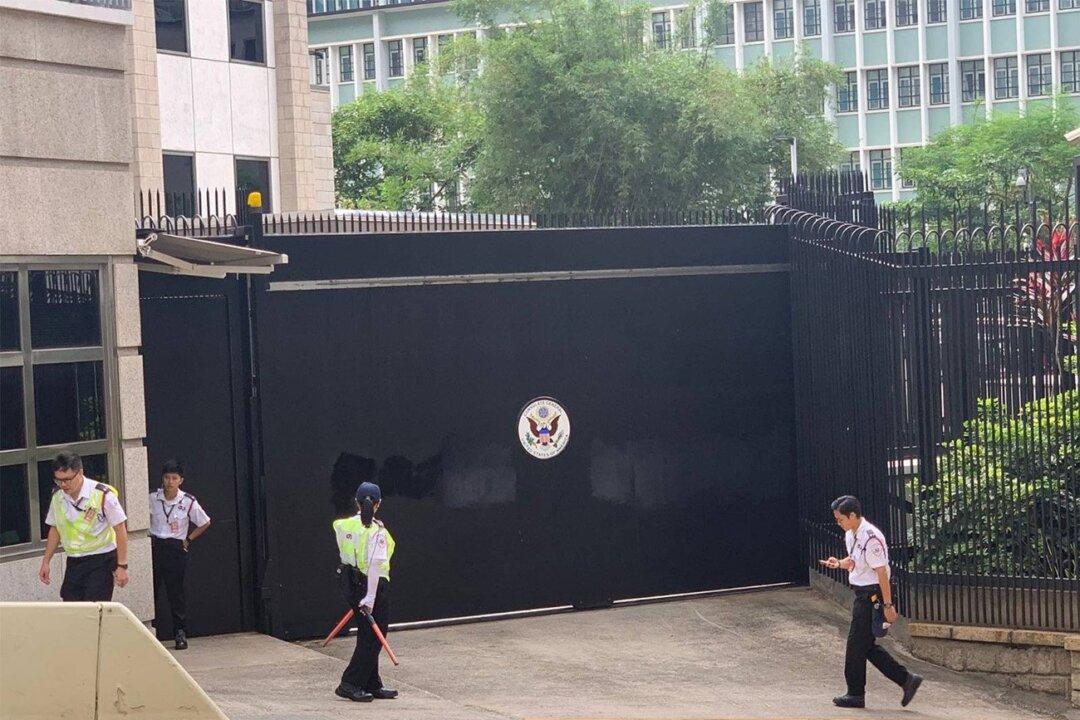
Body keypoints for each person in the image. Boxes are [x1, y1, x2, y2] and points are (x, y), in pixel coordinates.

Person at [821, 495, 923, 709]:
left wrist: (888, 605)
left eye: (840, 519)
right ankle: (906, 680)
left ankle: (856, 694)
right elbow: (855, 561)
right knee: (865, 646)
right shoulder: (852, 535)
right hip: (862, 594)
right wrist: (838, 563)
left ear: (852, 515)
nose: (838, 523)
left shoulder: (871, 537)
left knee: (856, 645)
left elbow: (881, 574)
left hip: (872, 596)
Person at [332, 481, 398, 703]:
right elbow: (375, 567)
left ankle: (372, 682)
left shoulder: (343, 526)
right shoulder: (377, 532)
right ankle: (350, 683)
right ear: (378, 504)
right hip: (373, 587)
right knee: (373, 639)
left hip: (350, 584)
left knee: (367, 634)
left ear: (356, 502)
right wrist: (370, 596)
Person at [38, 451, 129, 600]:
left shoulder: (103, 495)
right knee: (71, 605)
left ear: (80, 473)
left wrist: (122, 566)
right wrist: (46, 561)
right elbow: (55, 529)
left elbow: (120, 529)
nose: (63, 484)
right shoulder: (58, 497)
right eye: (59, 480)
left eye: (67, 479)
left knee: (94, 609)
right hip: (74, 560)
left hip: (101, 558)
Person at [149, 459, 211, 650]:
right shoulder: (152, 497)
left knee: (176, 593)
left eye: (174, 478)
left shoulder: (188, 501)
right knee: (152, 591)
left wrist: (189, 539)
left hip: (175, 548)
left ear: (180, 480)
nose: (169, 481)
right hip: (155, 545)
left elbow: (205, 521)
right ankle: (151, 632)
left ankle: (180, 632)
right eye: (167, 477)